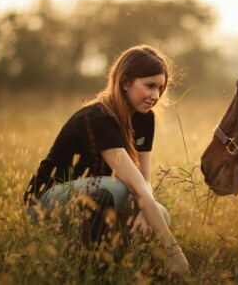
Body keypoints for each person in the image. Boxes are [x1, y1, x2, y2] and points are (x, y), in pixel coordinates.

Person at [23, 45, 189, 275]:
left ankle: (131, 267)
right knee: (119, 188)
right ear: (125, 82)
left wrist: (143, 211)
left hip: (97, 196)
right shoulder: (97, 118)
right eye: (149, 86)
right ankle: (93, 267)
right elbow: (134, 185)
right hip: (45, 203)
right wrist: (174, 251)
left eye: (160, 88)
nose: (156, 96)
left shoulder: (144, 118)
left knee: (159, 214)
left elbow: (144, 180)